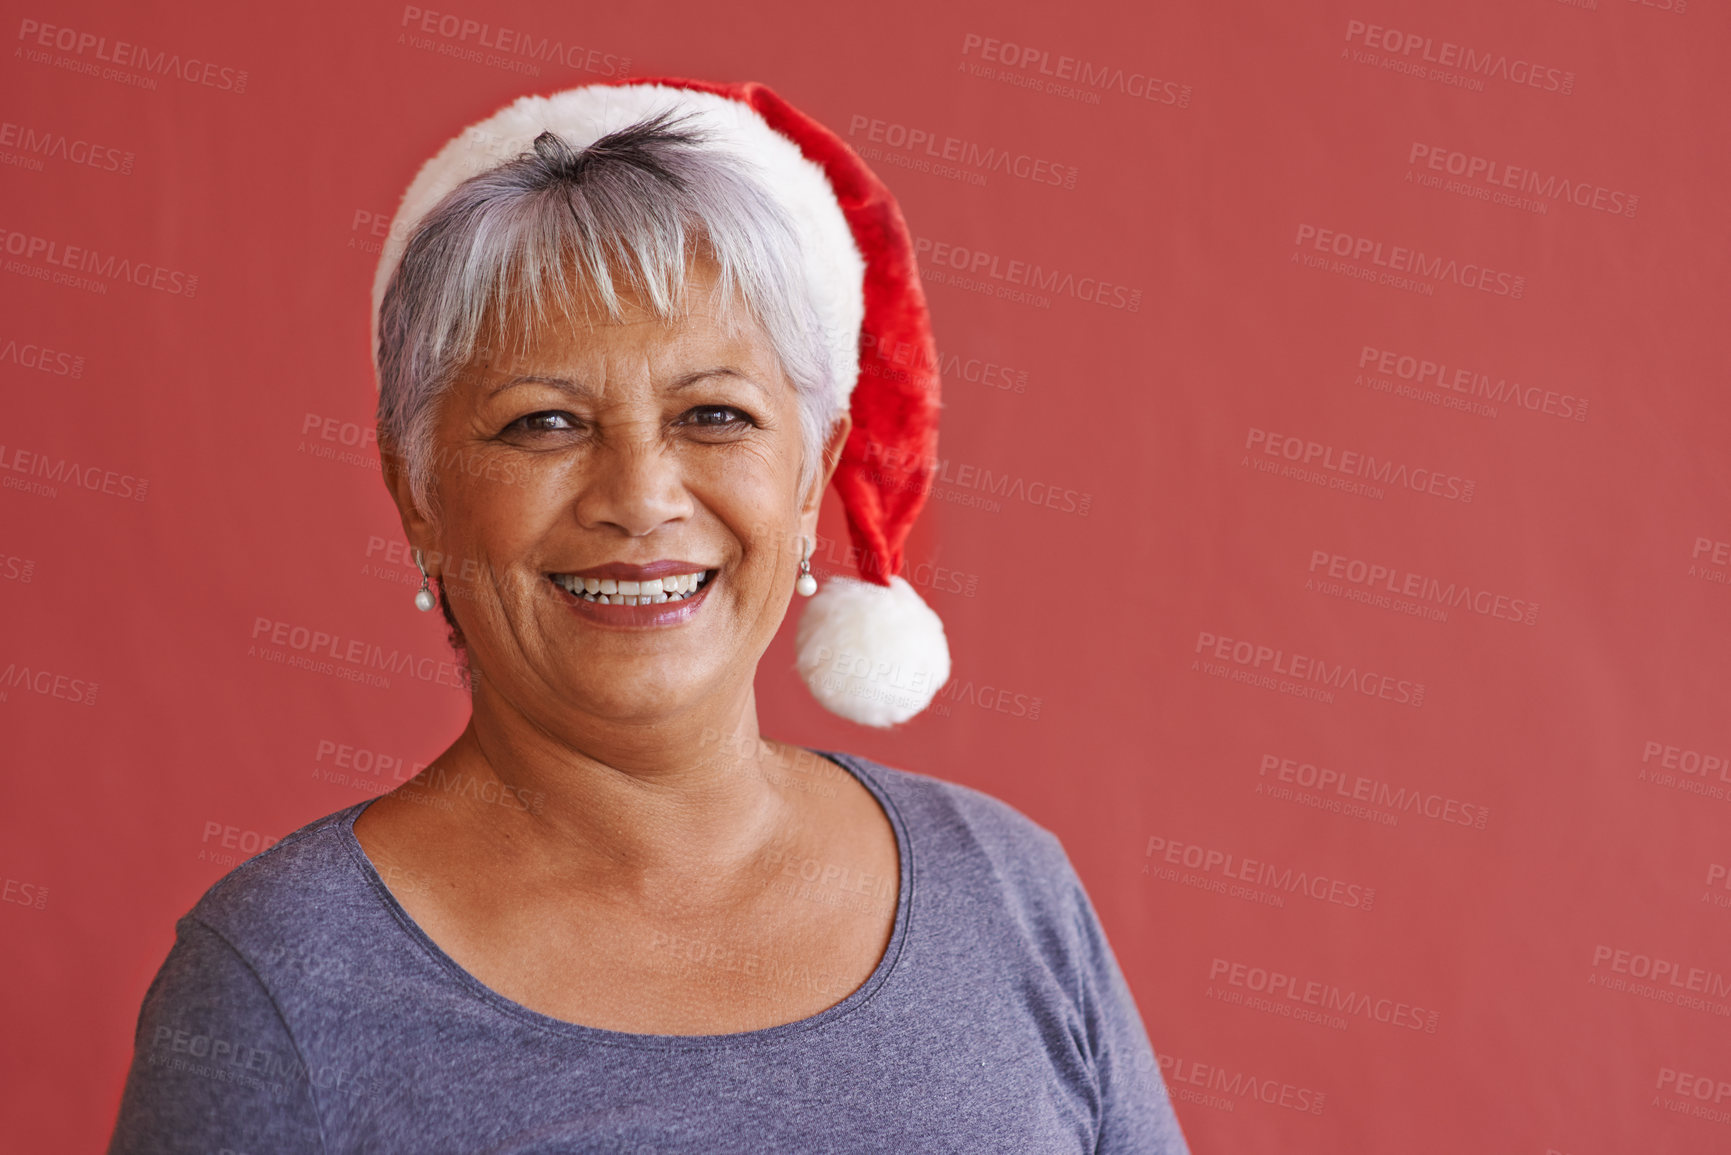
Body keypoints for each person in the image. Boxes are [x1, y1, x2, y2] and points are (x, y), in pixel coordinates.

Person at [106, 79, 1191, 1153]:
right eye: (543, 422)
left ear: (811, 474)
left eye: (714, 414)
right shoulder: (278, 983)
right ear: (418, 491)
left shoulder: (1007, 891)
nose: (640, 496)